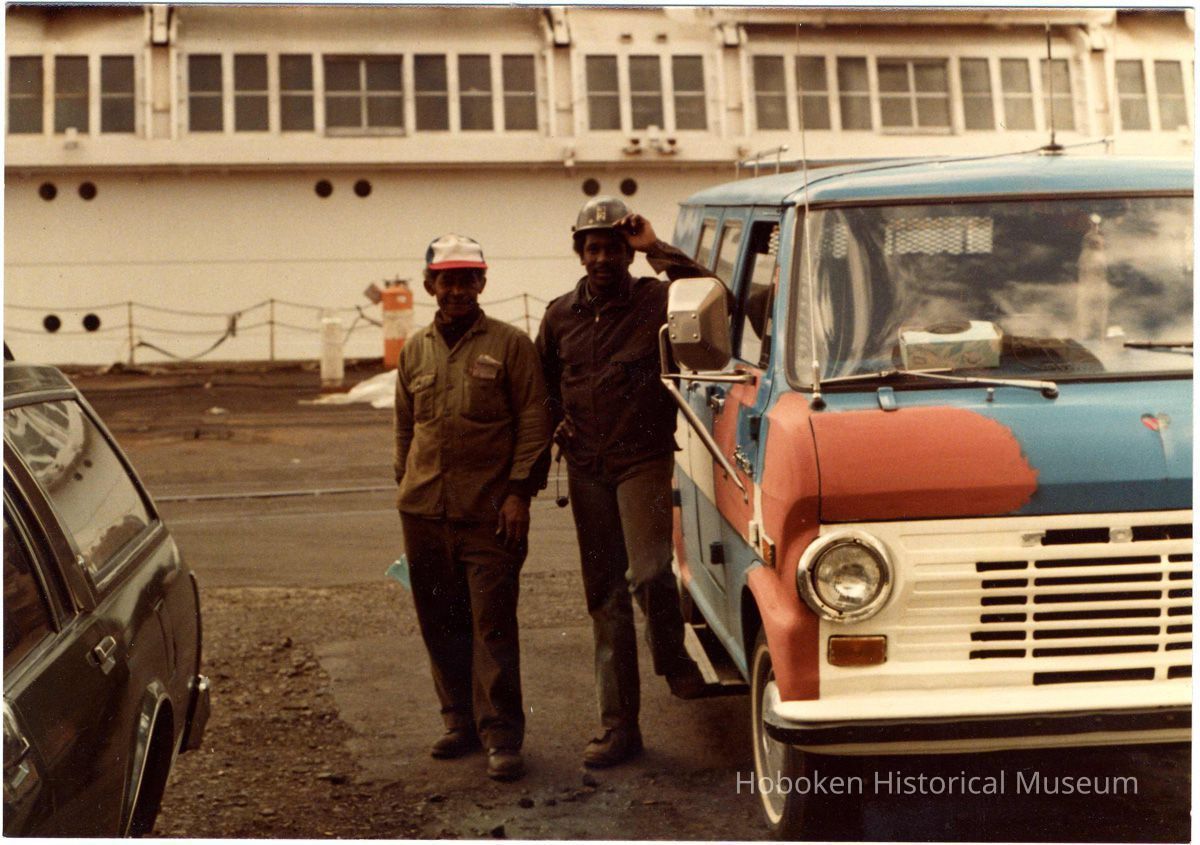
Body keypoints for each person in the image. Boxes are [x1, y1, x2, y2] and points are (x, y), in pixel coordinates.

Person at [536, 196, 716, 769]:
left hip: (641, 458)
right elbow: (540, 384)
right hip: (587, 465)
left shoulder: (655, 299)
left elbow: (714, 297)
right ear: (579, 252)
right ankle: (619, 727)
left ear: (625, 251)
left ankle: (671, 659)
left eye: (612, 247)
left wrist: (655, 246)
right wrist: (553, 420)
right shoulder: (559, 313)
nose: (602, 258)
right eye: (593, 248)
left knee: (651, 572)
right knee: (605, 597)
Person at [394, 233, 551, 782]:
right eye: (446, 279)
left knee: (492, 626)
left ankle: (502, 735)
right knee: (440, 622)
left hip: (490, 513)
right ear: (429, 284)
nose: (456, 289)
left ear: (483, 282)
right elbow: (405, 428)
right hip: (424, 511)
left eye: (467, 279)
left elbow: (534, 421)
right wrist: (406, 491)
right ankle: (458, 721)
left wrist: (517, 494)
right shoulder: (414, 350)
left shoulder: (511, 346)